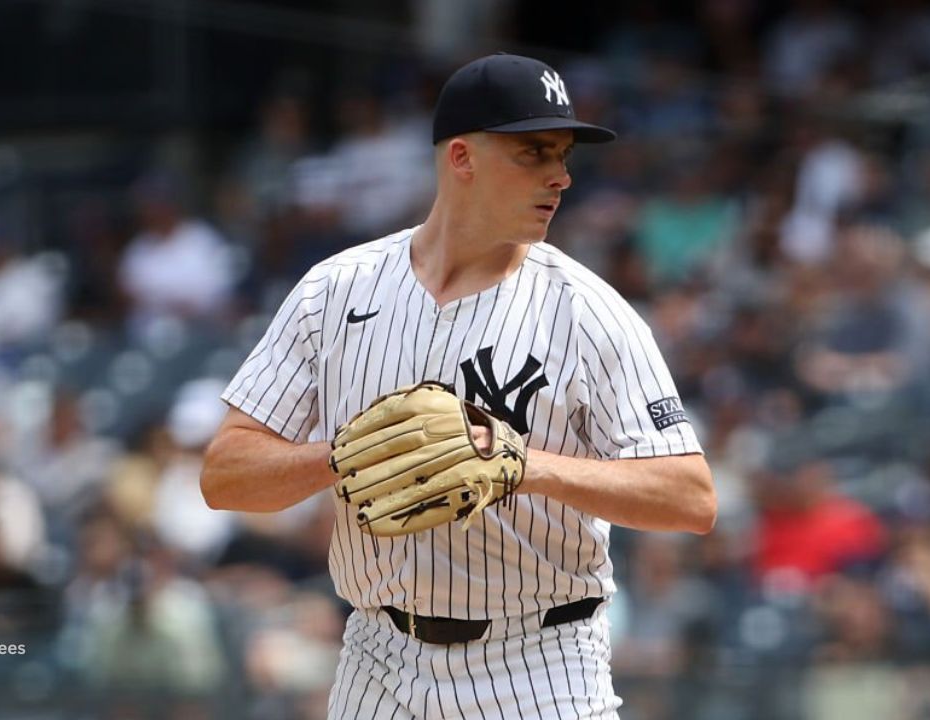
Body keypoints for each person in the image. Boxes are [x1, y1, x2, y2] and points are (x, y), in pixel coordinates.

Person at [201, 53, 717, 719]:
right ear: (463, 158)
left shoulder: (587, 311)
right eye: (534, 152)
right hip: (377, 656)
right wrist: (343, 457)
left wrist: (524, 467)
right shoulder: (335, 292)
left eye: (562, 154)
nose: (560, 176)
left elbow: (690, 495)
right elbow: (224, 476)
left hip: (538, 661)